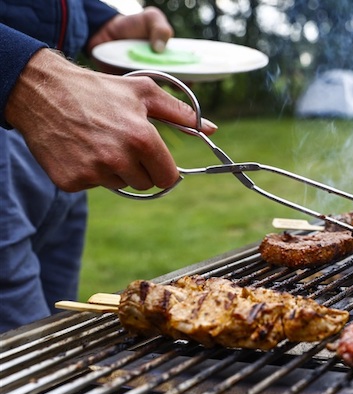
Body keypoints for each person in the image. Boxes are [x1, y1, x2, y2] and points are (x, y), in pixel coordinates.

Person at [0, 1, 217, 332]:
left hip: (67, 138)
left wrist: (91, 19)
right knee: (22, 347)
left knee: (58, 329)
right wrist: (21, 75)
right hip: (36, 100)